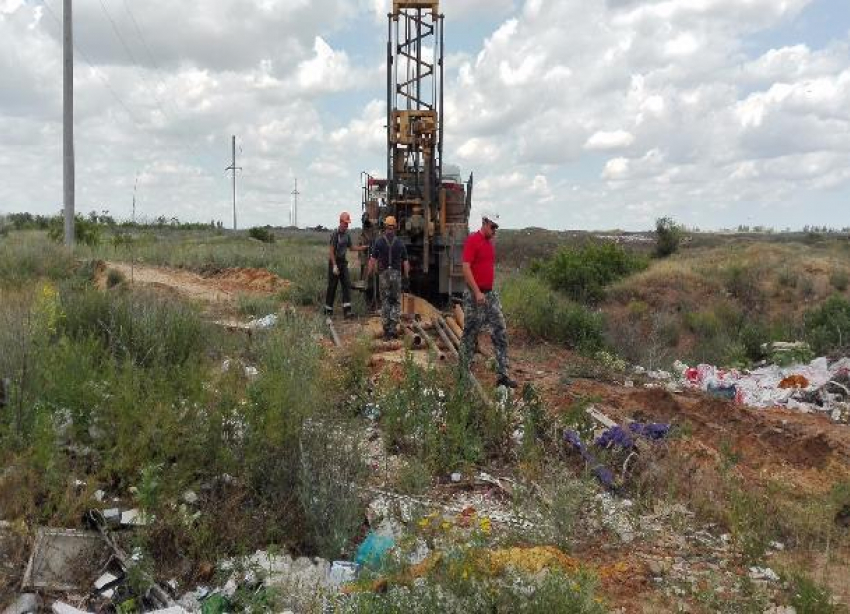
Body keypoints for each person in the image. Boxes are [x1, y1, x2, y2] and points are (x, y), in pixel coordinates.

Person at [460, 211, 517, 388]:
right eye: (492, 227)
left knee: (500, 331)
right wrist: (477, 292)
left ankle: (502, 375)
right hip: (474, 295)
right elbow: (466, 267)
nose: (494, 231)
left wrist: (486, 292)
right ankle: (463, 375)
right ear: (484, 222)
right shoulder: (472, 240)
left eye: (496, 228)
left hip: (490, 295)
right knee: (470, 334)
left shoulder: (489, 243)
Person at [367, 216, 410, 340]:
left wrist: (369, 274)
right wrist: (406, 277)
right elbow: (406, 262)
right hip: (396, 275)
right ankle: (392, 329)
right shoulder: (400, 242)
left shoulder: (379, 241)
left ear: (385, 227)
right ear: (395, 227)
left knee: (385, 301)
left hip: (384, 274)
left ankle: (386, 331)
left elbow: (372, 260)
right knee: (395, 301)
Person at [325, 211, 367, 318]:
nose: (346, 225)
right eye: (345, 223)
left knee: (346, 285)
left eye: (348, 223)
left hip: (343, 263)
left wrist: (361, 248)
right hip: (334, 262)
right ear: (340, 222)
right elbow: (331, 251)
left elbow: (351, 247)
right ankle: (328, 310)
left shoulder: (347, 234)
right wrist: (334, 266)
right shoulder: (335, 234)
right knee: (332, 287)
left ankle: (347, 311)